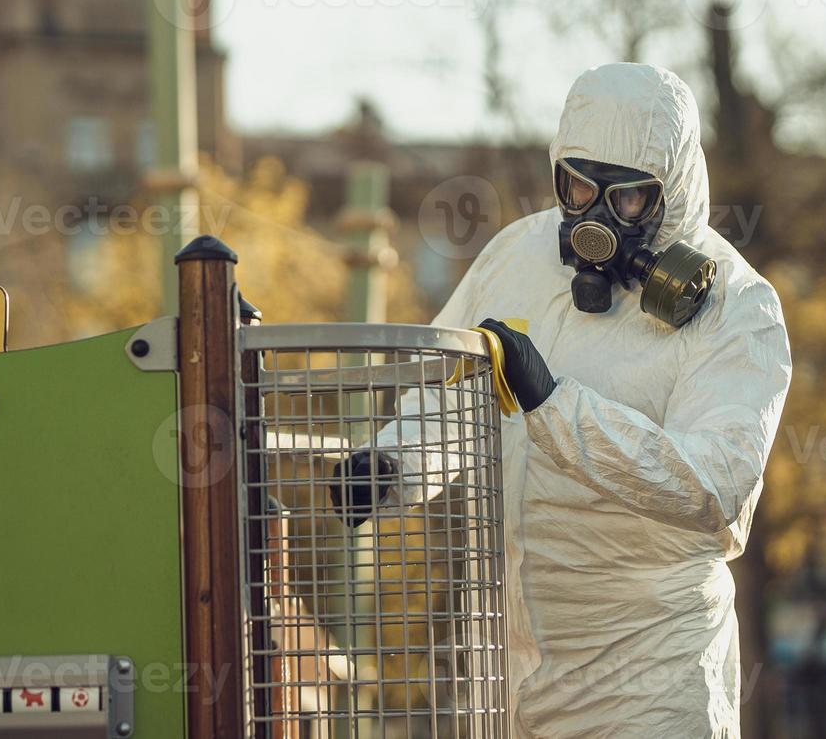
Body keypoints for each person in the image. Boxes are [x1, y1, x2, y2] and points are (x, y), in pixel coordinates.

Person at [335, 63, 792, 737]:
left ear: (675, 189)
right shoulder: (517, 255)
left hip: (649, 684)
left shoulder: (734, 306)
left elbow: (717, 496)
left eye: (628, 198)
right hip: (508, 676)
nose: (596, 218)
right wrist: (393, 468)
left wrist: (553, 405)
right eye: (578, 187)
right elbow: (452, 396)